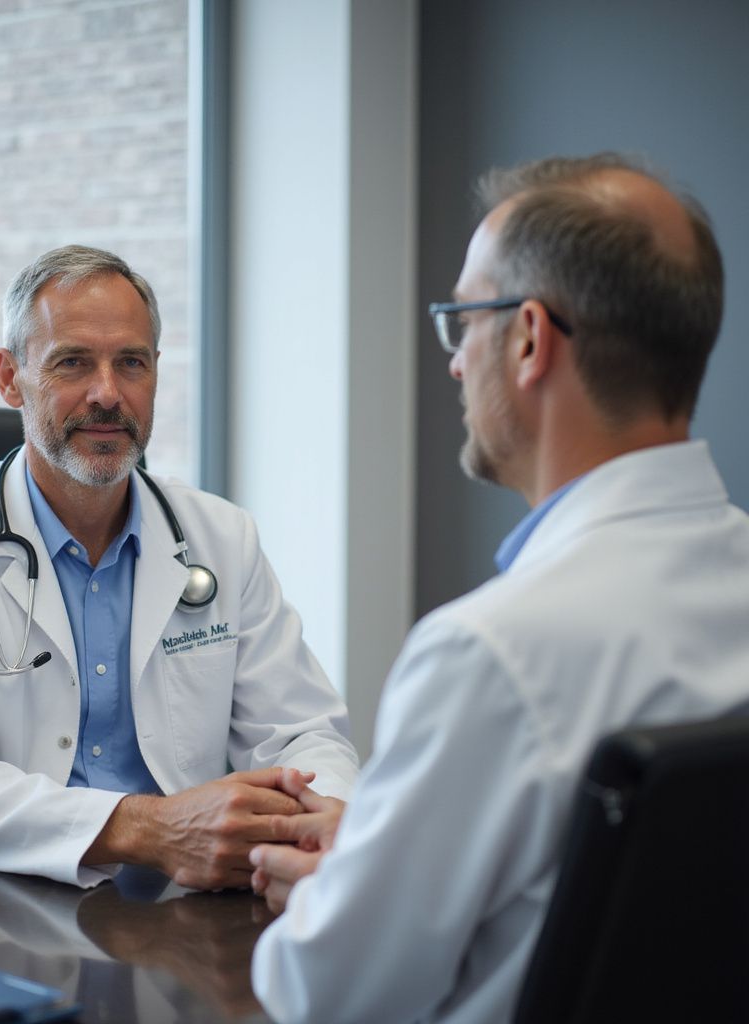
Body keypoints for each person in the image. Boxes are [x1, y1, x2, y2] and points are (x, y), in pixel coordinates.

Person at [248, 153, 749, 1023]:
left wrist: (336, 896)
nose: (453, 364)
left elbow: (328, 994)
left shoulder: (492, 653)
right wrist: (383, 851)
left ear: (527, 339)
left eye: (461, 321)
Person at [0, 244, 358, 890]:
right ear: (10, 378)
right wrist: (151, 828)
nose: (108, 394)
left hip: (184, 907)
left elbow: (304, 733)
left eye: (132, 364)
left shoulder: (221, 538)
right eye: (72, 363)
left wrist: (323, 820)